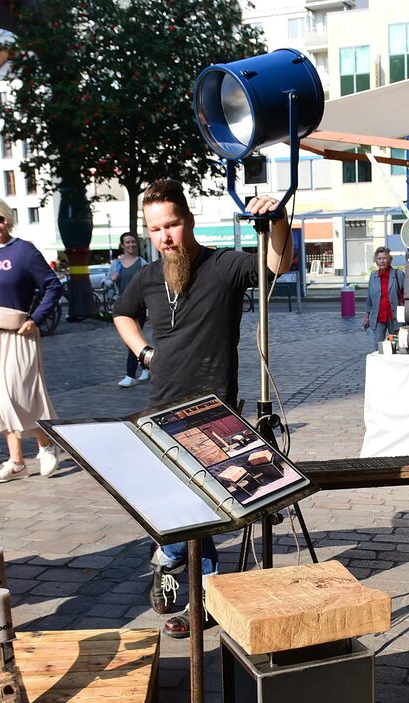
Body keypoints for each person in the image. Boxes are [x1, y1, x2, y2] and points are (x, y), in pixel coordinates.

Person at [112, 178, 292, 639]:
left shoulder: (224, 265)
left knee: (200, 510)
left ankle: (179, 572)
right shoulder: (148, 276)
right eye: (155, 229)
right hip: (158, 411)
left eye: (171, 224)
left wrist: (277, 219)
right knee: (178, 509)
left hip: (213, 413)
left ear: (187, 221)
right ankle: (192, 582)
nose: (164, 236)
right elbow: (122, 312)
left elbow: (277, 264)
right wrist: (144, 353)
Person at [0, 195, 64, 483]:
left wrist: (35, 319)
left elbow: (52, 286)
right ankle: (16, 460)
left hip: (18, 333)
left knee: (15, 394)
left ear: (8, 218)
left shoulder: (24, 251)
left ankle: (47, 443)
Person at [110, 232, 151, 388]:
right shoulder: (116, 264)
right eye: (127, 242)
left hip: (138, 307)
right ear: (122, 245)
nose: (131, 245)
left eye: (133, 242)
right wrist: (111, 279)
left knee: (131, 340)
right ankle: (146, 368)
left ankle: (130, 375)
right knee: (135, 340)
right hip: (121, 308)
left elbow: (148, 287)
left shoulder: (142, 264)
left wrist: (148, 310)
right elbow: (106, 283)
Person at [361, 246, 405, 350]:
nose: (382, 261)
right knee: (379, 347)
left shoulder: (399, 274)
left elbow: (406, 295)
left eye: (384, 258)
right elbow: (369, 298)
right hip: (378, 317)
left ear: (389, 259)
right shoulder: (373, 276)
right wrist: (367, 316)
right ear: (376, 261)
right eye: (379, 259)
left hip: (395, 317)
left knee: (397, 347)